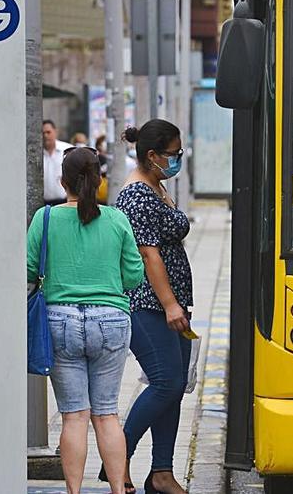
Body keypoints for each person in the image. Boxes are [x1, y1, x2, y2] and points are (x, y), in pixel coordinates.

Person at [29, 147, 144, 494]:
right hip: (110, 320)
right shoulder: (115, 219)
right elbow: (135, 275)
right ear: (99, 180)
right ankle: (118, 489)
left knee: (74, 416)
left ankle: (74, 492)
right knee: (107, 415)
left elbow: (29, 268)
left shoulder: (45, 219)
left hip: (59, 321)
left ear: (62, 181)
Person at [116, 120, 193, 494]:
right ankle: (119, 457)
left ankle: (162, 472)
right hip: (148, 304)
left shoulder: (157, 187)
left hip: (171, 304)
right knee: (166, 382)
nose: (178, 160)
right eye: (174, 154)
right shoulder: (137, 196)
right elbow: (148, 254)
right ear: (152, 156)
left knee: (175, 386)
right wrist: (170, 304)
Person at [43, 120, 71, 206]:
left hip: (65, 202)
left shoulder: (67, 150)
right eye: (42, 133)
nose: (45, 136)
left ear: (55, 132)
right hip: (43, 204)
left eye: (48, 132)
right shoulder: (34, 155)